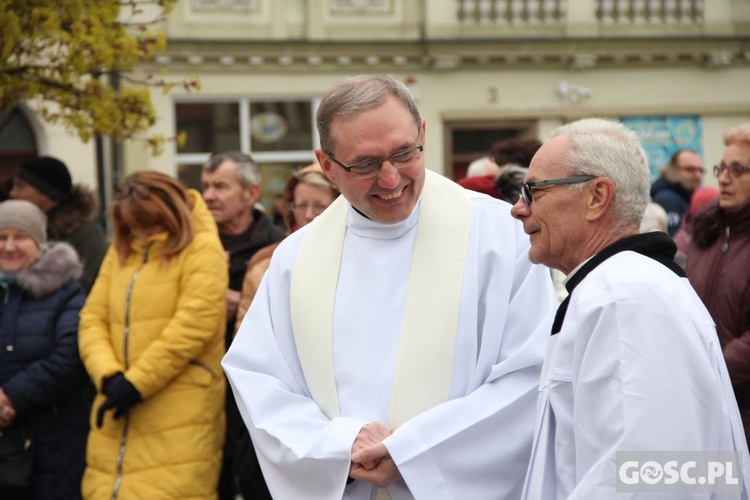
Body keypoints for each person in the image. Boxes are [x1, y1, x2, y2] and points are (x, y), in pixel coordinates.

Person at [223, 74, 557, 499]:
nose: (390, 178)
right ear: (326, 165)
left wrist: (416, 451)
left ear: (422, 135)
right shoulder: (295, 258)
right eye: (365, 164)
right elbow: (259, 379)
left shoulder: (498, 236)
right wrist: (341, 443)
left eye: (404, 153)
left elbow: (532, 374)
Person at [510, 117, 750, 498]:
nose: (518, 209)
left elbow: (657, 480)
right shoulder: (624, 288)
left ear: (597, 197)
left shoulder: (627, 299)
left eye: (533, 191)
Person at [78, 171, 227, 499]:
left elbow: (194, 325)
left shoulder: (202, 248)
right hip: (117, 403)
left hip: (180, 410)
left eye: (148, 224)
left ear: (170, 214)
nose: (141, 234)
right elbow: (92, 318)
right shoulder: (121, 251)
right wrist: (108, 375)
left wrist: (136, 383)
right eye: (133, 226)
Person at [201, 151, 284, 500]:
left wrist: (242, 303)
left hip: (255, 390)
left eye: (221, 186)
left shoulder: (277, 248)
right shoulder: (194, 246)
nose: (209, 196)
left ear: (251, 193)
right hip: (202, 386)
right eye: (205, 186)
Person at [0, 200, 89, 500]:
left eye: (20, 237)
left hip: (54, 444)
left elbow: (69, 356)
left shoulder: (68, 293)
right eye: (1, 237)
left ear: (39, 243)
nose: (9, 246)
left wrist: (10, 397)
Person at [686, 123, 750, 446]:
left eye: (738, 170)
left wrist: (710, 370)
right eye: (722, 167)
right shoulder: (705, 231)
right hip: (700, 408)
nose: (723, 178)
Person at [234, 163, 339, 331]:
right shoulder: (266, 264)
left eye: (320, 206)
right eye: (302, 205)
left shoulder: (360, 258)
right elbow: (248, 335)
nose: (309, 215)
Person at [10, 156, 108, 293]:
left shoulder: (85, 233)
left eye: (20, 186)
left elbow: (94, 283)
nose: (13, 193)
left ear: (46, 193)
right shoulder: (19, 230)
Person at [650, 148, 705, 236]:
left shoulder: (684, 197)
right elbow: (676, 241)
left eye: (700, 171)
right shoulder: (668, 200)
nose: (697, 175)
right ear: (673, 170)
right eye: (690, 169)